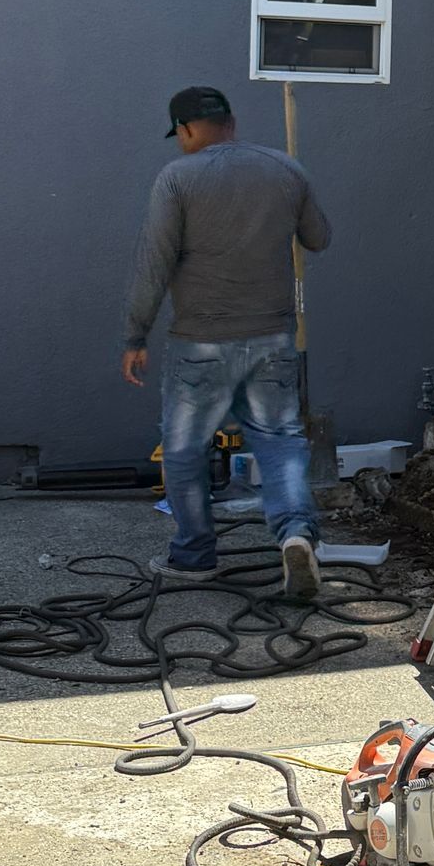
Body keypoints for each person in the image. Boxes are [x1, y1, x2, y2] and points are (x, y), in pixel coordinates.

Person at [122, 84, 332, 599]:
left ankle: (194, 557)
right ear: (231, 122)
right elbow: (319, 238)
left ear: (188, 129)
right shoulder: (285, 169)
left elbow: (155, 261)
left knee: (184, 450)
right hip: (273, 337)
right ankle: (297, 535)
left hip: (201, 341)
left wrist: (135, 334)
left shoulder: (177, 178)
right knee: (280, 442)